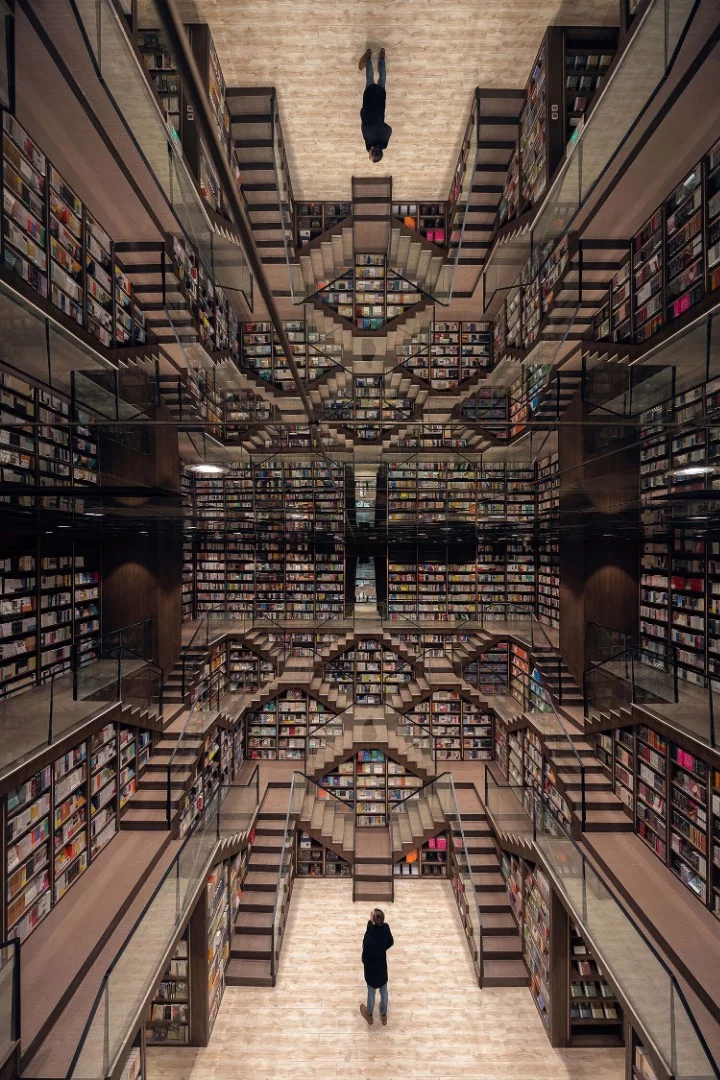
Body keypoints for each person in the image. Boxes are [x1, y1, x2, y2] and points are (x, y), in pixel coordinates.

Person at [360, 907, 394, 1026]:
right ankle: (384, 1015)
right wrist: (381, 949)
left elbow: (364, 959)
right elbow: (390, 942)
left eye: (372, 914)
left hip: (371, 971)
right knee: (384, 991)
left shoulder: (368, 938)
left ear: (373, 921)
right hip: (382, 968)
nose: (370, 913)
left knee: (371, 993)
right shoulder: (386, 928)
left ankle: (369, 1014)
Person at [358, 48, 392, 163]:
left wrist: (380, 123)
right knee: (369, 79)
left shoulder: (384, 143)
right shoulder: (367, 136)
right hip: (369, 100)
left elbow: (389, 129)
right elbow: (363, 119)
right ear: (371, 150)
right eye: (370, 156)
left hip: (380, 104)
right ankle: (368, 59)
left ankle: (382, 59)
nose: (368, 156)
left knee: (382, 80)